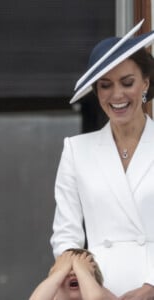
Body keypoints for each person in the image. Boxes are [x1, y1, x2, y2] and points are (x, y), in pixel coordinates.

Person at [50, 19, 154, 298]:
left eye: (127, 82)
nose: (117, 94)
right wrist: (91, 285)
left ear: (145, 82)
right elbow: (66, 235)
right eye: (105, 85)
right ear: (97, 93)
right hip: (99, 287)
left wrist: (150, 288)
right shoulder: (76, 150)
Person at [29, 248, 117, 300]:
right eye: (66, 271)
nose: (73, 273)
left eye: (80, 271)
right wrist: (59, 272)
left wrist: (82, 271)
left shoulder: (97, 294)